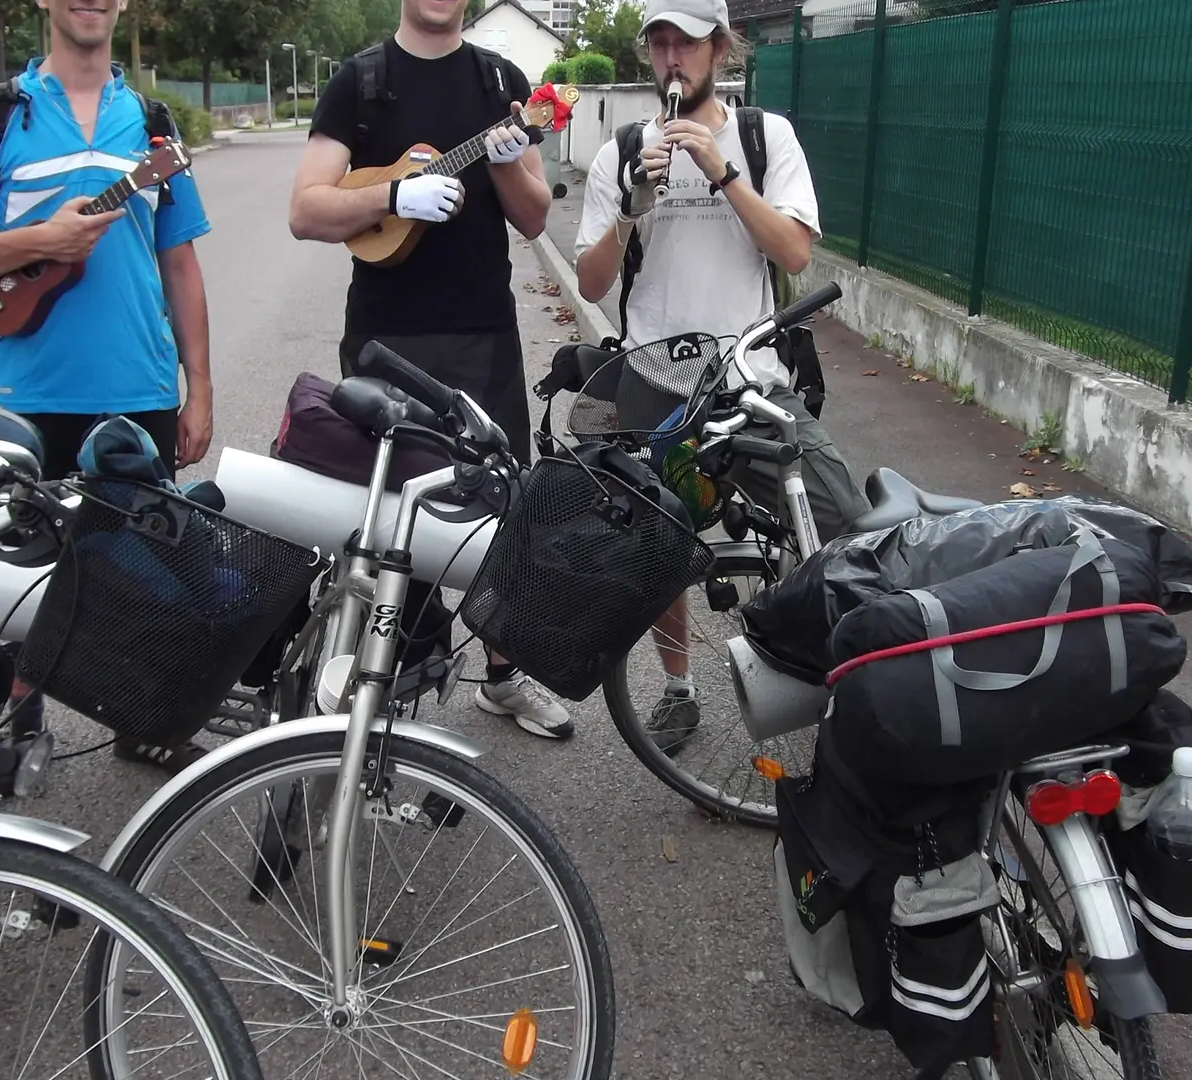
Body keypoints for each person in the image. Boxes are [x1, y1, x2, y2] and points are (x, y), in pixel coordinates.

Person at [0, 0, 215, 775]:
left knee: (141, 575)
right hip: (23, 400)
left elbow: (180, 264)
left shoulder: (151, 122)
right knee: (14, 583)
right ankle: (11, 728)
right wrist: (37, 241)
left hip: (138, 393)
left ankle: (142, 719)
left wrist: (199, 387)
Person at [573, 0, 870, 753]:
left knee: (839, 522)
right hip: (652, 379)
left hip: (747, 382)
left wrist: (722, 170)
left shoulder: (767, 139)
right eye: (660, 43)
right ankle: (678, 686)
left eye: (688, 43)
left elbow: (795, 254)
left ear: (720, 49)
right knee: (660, 547)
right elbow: (590, 280)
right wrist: (633, 209)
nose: (673, 58)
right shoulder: (622, 151)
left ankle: (832, 670)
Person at [288, 0, 577, 740]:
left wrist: (510, 160)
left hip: (483, 333)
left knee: (504, 512)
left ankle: (505, 677)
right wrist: (391, 195)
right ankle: (387, 686)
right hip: (386, 340)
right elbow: (307, 209)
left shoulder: (501, 81)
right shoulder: (361, 82)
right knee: (387, 519)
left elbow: (536, 216)